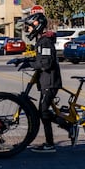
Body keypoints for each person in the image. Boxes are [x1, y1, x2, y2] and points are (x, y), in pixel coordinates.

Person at [23, 11, 63, 153]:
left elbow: (46, 64)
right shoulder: (41, 41)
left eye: (28, 27)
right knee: (43, 111)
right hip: (46, 82)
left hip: (50, 82)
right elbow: (40, 60)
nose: (27, 30)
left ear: (37, 25)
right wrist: (25, 60)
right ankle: (50, 142)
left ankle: (62, 131)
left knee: (44, 112)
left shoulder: (45, 42)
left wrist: (30, 64)